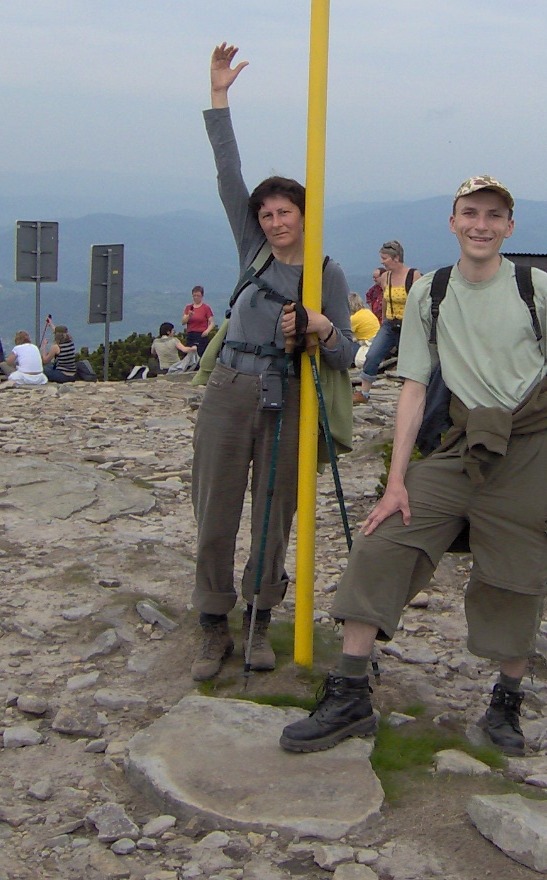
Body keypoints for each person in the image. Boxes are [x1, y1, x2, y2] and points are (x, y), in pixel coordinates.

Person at [280, 175, 547, 756]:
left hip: (532, 449)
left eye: (493, 215)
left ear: (510, 226)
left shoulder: (536, 287)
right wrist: (396, 481)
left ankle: (505, 705)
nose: (481, 225)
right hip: (461, 447)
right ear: (452, 222)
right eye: (470, 213)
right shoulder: (432, 292)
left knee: (518, 575)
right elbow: (414, 387)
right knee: (381, 542)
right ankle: (349, 695)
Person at [191, 43, 355, 682]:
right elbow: (227, 173)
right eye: (266, 213)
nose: (274, 220)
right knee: (215, 508)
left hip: (290, 396)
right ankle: (212, 621)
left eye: (285, 211)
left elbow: (345, 354)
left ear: (305, 215)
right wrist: (219, 96)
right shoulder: (252, 249)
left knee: (273, 516)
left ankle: (260, 619)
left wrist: (319, 326)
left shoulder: (326, 272)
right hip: (231, 385)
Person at [354, 242, 421, 403]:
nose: (382, 262)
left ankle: (413, 396)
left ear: (396, 258)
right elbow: (385, 299)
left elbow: (420, 302)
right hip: (389, 324)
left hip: (408, 325)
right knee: (372, 355)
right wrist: (384, 320)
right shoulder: (386, 277)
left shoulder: (413, 276)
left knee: (410, 362)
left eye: (384, 258)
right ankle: (364, 393)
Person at [348, 292, 380, 369]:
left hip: (367, 345)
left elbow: (344, 332)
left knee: (346, 347)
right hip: (376, 343)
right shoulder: (367, 311)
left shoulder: (354, 318)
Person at [182, 287, 216, 358]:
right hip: (190, 335)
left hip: (201, 335)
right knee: (189, 356)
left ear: (202, 296)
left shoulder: (206, 308)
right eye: (194, 296)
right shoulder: (189, 307)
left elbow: (212, 322)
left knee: (200, 355)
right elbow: (183, 322)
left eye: (198, 296)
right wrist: (189, 316)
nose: (196, 297)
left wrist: (207, 331)